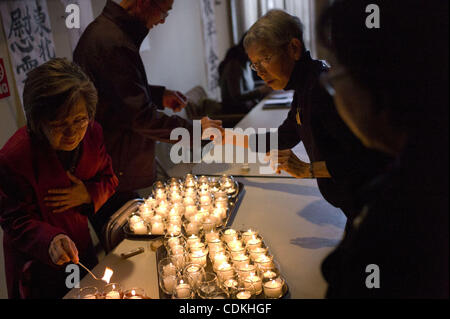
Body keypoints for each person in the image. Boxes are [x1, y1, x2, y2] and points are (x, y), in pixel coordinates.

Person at [317, 0, 448, 298]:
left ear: (379, 85)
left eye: (336, 74)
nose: (333, 91)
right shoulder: (416, 167)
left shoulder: (407, 215)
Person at [221, 10, 391, 224]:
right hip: (354, 204)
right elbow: (284, 137)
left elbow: (363, 156)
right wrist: (228, 137)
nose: (260, 72)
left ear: (293, 48)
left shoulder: (320, 89)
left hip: (369, 205)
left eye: (265, 58)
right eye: (255, 64)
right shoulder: (306, 86)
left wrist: (308, 169)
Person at [73, 0, 222, 242]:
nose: (162, 20)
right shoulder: (111, 42)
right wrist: (195, 131)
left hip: (111, 169)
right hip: (110, 174)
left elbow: (115, 93)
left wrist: (157, 94)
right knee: (129, 253)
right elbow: (140, 117)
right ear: (142, 3)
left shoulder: (105, 33)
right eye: (164, 11)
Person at [0, 58, 119, 299]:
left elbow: (109, 178)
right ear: (38, 121)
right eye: (59, 124)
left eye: (79, 120)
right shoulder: (15, 157)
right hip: (37, 263)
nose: (72, 132)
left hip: (79, 246)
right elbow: (14, 220)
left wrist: (88, 193)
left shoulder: (93, 133)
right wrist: (49, 240)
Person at [218, 33, 272, 114]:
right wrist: (260, 90)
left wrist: (266, 83)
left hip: (247, 110)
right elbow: (237, 97)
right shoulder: (234, 65)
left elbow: (249, 86)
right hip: (235, 115)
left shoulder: (245, 62)